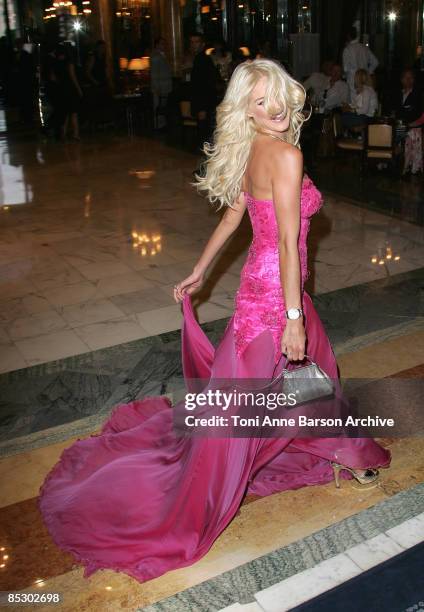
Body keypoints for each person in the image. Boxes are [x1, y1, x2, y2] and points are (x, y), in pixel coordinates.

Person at [38, 58, 391, 584]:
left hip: (262, 291)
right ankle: (206, 497)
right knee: (261, 399)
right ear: (245, 110)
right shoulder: (286, 155)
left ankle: (345, 449)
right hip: (278, 298)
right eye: (260, 102)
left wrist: (200, 273)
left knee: (300, 383)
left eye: (277, 98)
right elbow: (289, 247)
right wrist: (291, 316)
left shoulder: (253, 149)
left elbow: (235, 217)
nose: (273, 110)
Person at [189, 32, 219, 147]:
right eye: (192, 42)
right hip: (203, 103)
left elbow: (205, 85)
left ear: (202, 44)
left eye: (196, 42)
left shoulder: (202, 59)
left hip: (204, 104)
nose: (193, 45)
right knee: (204, 133)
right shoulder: (200, 58)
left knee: (205, 135)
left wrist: (202, 108)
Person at [51, 43, 83, 141]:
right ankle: (75, 134)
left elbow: (53, 77)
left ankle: (63, 134)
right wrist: (79, 89)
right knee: (73, 112)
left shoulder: (55, 63)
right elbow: (73, 76)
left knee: (64, 114)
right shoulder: (69, 62)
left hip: (61, 89)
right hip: (70, 89)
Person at [343, 26, 378, 103]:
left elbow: (346, 69)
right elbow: (375, 62)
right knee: (364, 101)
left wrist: (344, 75)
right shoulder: (364, 47)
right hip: (365, 79)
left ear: (347, 36)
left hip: (353, 80)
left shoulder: (347, 49)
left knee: (355, 104)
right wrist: (368, 72)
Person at [150, 37, 173, 129]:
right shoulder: (155, 56)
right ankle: (158, 126)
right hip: (159, 86)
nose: (164, 45)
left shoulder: (163, 55)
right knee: (158, 107)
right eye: (162, 43)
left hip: (165, 86)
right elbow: (154, 73)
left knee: (163, 106)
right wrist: (156, 88)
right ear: (157, 45)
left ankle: (162, 125)